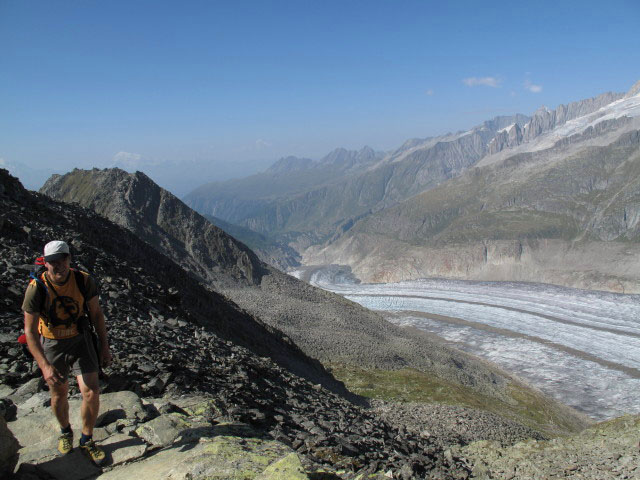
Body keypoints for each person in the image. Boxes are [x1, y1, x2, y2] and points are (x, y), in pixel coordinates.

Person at [22, 240, 111, 465]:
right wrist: (44, 365)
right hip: (52, 343)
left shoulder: (83, 280)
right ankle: (65, 431)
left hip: (80, 339)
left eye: (62, 261)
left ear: (69, 260)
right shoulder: (36, 289)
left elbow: (96, 314)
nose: (57, 266)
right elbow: (30, 332)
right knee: (59, 393)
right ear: (45, 263)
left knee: (91, 391)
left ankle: (87, 438)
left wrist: (104, 346)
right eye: (52, 262)